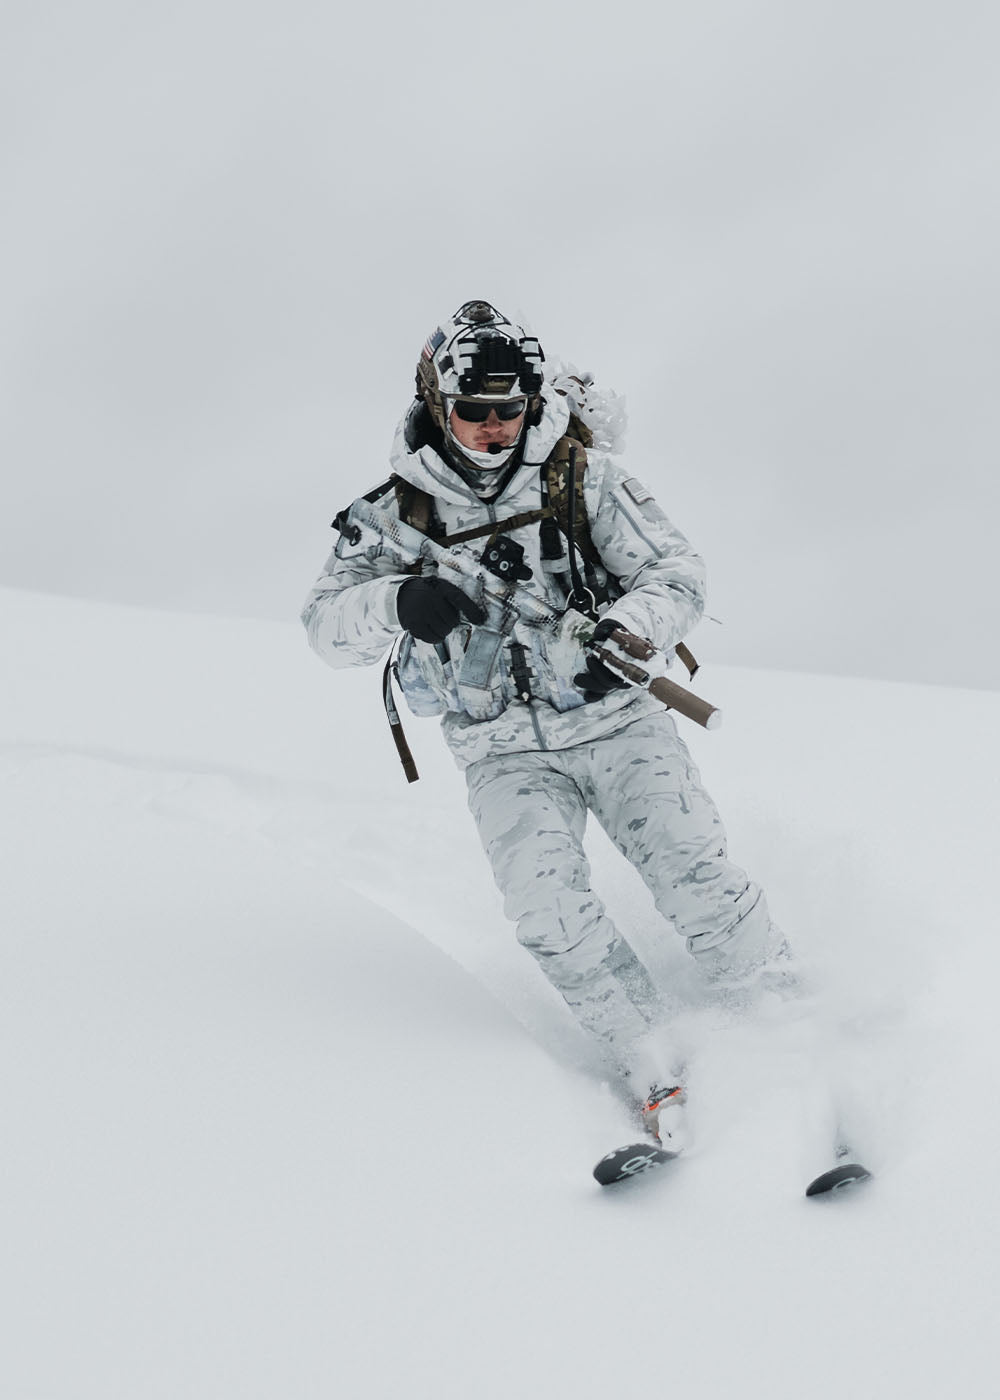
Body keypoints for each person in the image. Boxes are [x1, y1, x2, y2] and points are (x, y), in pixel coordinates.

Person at [302, 300, 790, 1137]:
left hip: (616, 724)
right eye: (473, 412)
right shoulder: (392, 515)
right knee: (547, 913)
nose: (494, 428)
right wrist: (398, 600)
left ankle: (789, 1024)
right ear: (436, 402)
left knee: (691, 875)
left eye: (510, 410)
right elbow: (324, 627)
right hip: (500, 751)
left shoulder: (584, 481)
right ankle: (654, 1061)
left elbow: (677, 572)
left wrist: (629, 628)